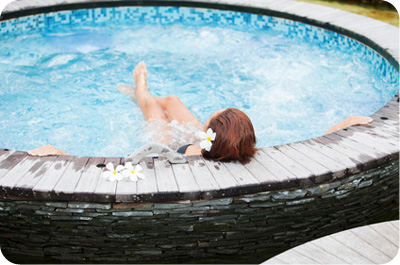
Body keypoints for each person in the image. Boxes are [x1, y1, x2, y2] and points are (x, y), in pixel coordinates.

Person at [28, 62, 373, 164]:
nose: (209, 113)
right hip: (203, 143)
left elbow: (117, 167)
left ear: (210, 128)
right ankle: (144, 93)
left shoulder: (177, 158)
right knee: (174, 100)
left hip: (167, 147)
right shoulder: (239, 148)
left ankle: (140, 90)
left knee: (155, 109)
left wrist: (61, 154)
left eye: (212, 114)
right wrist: (344, 125)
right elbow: (309, 150)